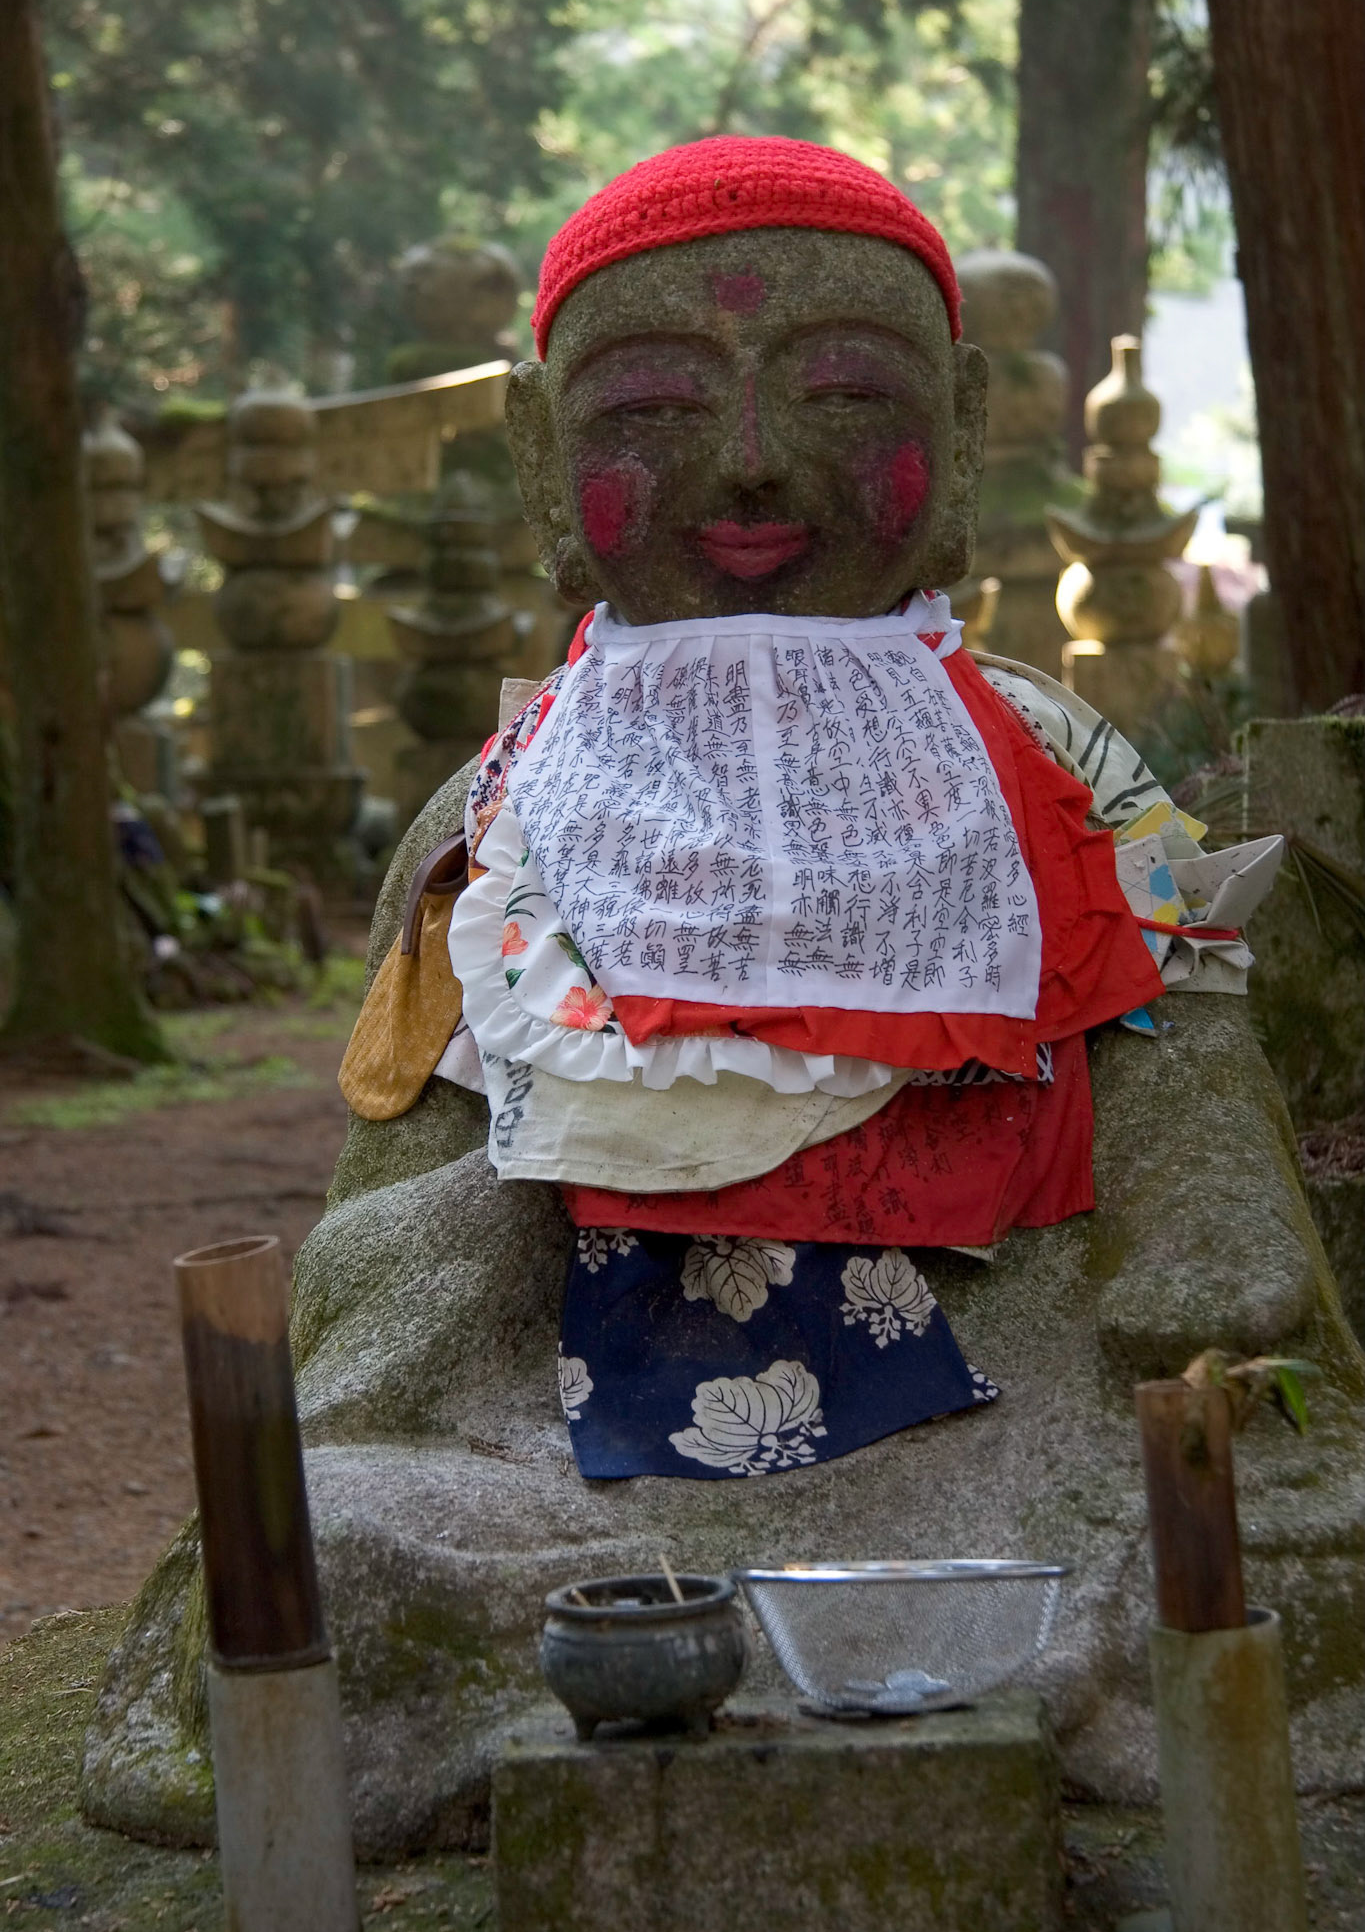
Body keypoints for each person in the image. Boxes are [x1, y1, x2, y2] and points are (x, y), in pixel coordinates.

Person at [341, 135, 1266, 1485]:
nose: (753, 463)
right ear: (541, 458)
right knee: (376, 1530)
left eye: (840, 394)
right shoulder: (511, 801)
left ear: (957, 426)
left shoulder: (1051, 759)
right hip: (566, 1377)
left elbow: (1190, 1084)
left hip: (1017, 1328)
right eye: (653, 408)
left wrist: (1199, 1261)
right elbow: (403, 1185)